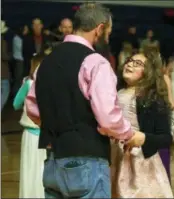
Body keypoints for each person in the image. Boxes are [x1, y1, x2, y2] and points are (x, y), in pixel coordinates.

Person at [25, 3, 145, 198]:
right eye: (108, 32)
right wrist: (128, 134)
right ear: (99, 29)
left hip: (53, 160)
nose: (108, 38)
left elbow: (33, 108)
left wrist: (59, 123)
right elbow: (107, 117)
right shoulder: (96, 62)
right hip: (87, 160)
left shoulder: (45, 62)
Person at [104, 51, 173, 198]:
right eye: (129, 61)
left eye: (138, 64)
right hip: (114, 156)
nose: (130, 64)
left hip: (139, 161)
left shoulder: (150, 98)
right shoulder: (117, 92)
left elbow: (166, 138)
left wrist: (143, 138)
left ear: (148, 72)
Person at [14, 54, 46, 198]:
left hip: (30, 135)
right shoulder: (52, 85)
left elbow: (15, 104)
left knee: (29, 170)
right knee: (43, 170)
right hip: (46, 134)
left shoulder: (28, 84)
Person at [1, 21, 10, 111]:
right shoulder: (2, 42)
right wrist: (10, 56)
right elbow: (4, 56)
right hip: (2, 71)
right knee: (5, 92)